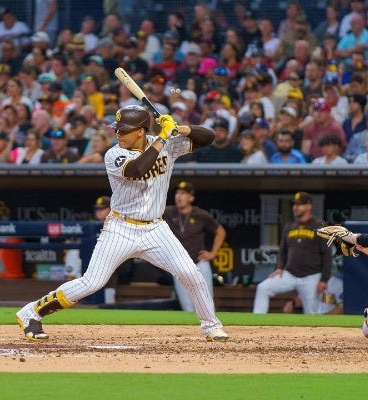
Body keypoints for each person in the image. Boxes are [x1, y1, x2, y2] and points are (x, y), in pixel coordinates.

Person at [15, 105, 228, 342]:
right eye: (117, 129)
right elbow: (138, 169)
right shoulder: (114, 154)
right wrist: (163, 136)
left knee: (190, 272)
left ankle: (211, 326)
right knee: (92, 282)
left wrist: (180, 128)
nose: (118, 134)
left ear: (140, 131)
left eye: (124, 130)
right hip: (121, 228)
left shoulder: (164, 141)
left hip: (155, 229)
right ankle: (31, 312)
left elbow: (208, 137)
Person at [253, 192, 331, 314]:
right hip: (290, 274)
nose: (296, 207)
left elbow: (327, 254)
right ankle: (256, 324)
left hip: (311, 277)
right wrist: (279, 268)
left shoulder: (319, 225)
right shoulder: (290, 226)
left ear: (309, 206)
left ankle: (317, 333)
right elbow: (282, 251)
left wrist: (324, 279)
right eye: (295, 204)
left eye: (300, 204)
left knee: (312, 313)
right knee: (263, 288)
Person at [163, 181, 226, 312]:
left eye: (183, 193)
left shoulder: (200, 214)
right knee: (187, 307)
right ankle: (192, 332)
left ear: (191, 198)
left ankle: (211, 329)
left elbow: (220, 231)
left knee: (206, 302)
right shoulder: (168, 212)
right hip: (179, 265)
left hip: (199, 263)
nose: (179, 196)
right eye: (177, 193)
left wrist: (213, 253)